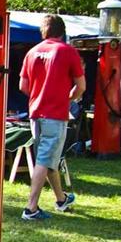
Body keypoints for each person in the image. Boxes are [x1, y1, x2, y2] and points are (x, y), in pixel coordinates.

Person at [19, 14, 86, 221]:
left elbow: (23, 86)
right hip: (55, 114)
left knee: (48, 158)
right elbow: (81, 86)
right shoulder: (68, 51)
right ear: (62, 31)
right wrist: (68, 98)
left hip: (35, 113)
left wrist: (39, 96)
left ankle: (61, 199)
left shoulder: (31, 52)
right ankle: (31, 209)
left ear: (43, 32)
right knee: (45, 158)